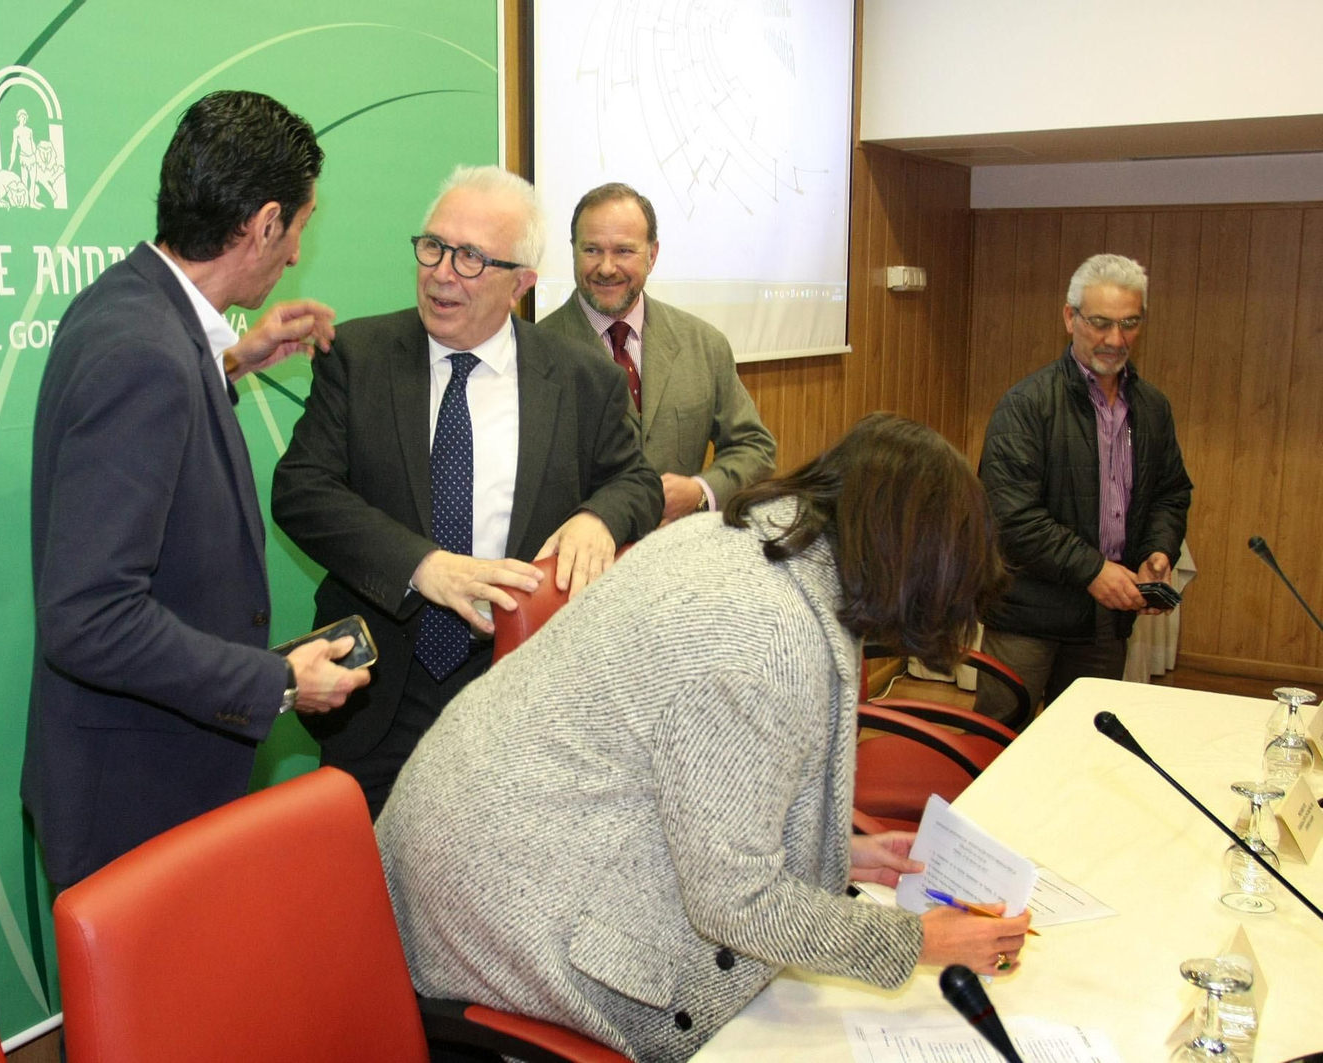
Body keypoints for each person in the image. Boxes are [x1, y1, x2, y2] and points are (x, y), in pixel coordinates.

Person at [376, 413, 1029, 1062]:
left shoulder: (734, 538)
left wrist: (839, 851)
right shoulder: (767, 637)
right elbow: (736, 904)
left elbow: (698, 773)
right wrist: (916, 942)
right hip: (499, 903)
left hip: (491, 839)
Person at [22, 91, 369, 889]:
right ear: (264, 221)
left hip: (134, 767)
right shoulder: (144, 352)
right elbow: (88, 617)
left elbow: (151, 431)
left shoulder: (131, 304)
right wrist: (278, 681)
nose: (294, 256)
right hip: (134, 794)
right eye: (300, 228)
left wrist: (239, 360)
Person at [272, 165, 662, 816]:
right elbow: (302, 490)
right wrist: (423, 566)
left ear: (523, 283)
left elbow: (638, 481)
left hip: (520, 690)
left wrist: (600, 517)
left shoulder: (581, 377)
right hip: (381, 692)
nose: (442, 272)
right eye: (433, 246)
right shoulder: (359, 356)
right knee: (372, 897)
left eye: (473, 257)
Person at [976, 253, 1192, 726]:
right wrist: (1094, 569)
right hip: (1027, 618)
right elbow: (1011, 517)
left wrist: (1158, 550)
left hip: (1105, 623)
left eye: (1130, 324)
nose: (1116, 339)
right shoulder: (1026, 406)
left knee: (1085, 749)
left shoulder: (1152, 407)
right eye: (1101, 323)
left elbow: (1170, 493)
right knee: (994, 748)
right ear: (1070, 317)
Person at [538, 182, 776, 522]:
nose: (606, 268)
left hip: (679, 557)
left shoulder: (704, 345)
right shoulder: (535, 353)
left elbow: (755, 448)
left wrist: (701, 492)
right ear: (573, 251)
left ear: (652, 255)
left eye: (623, 251)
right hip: (580, 566)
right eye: (591, 250)